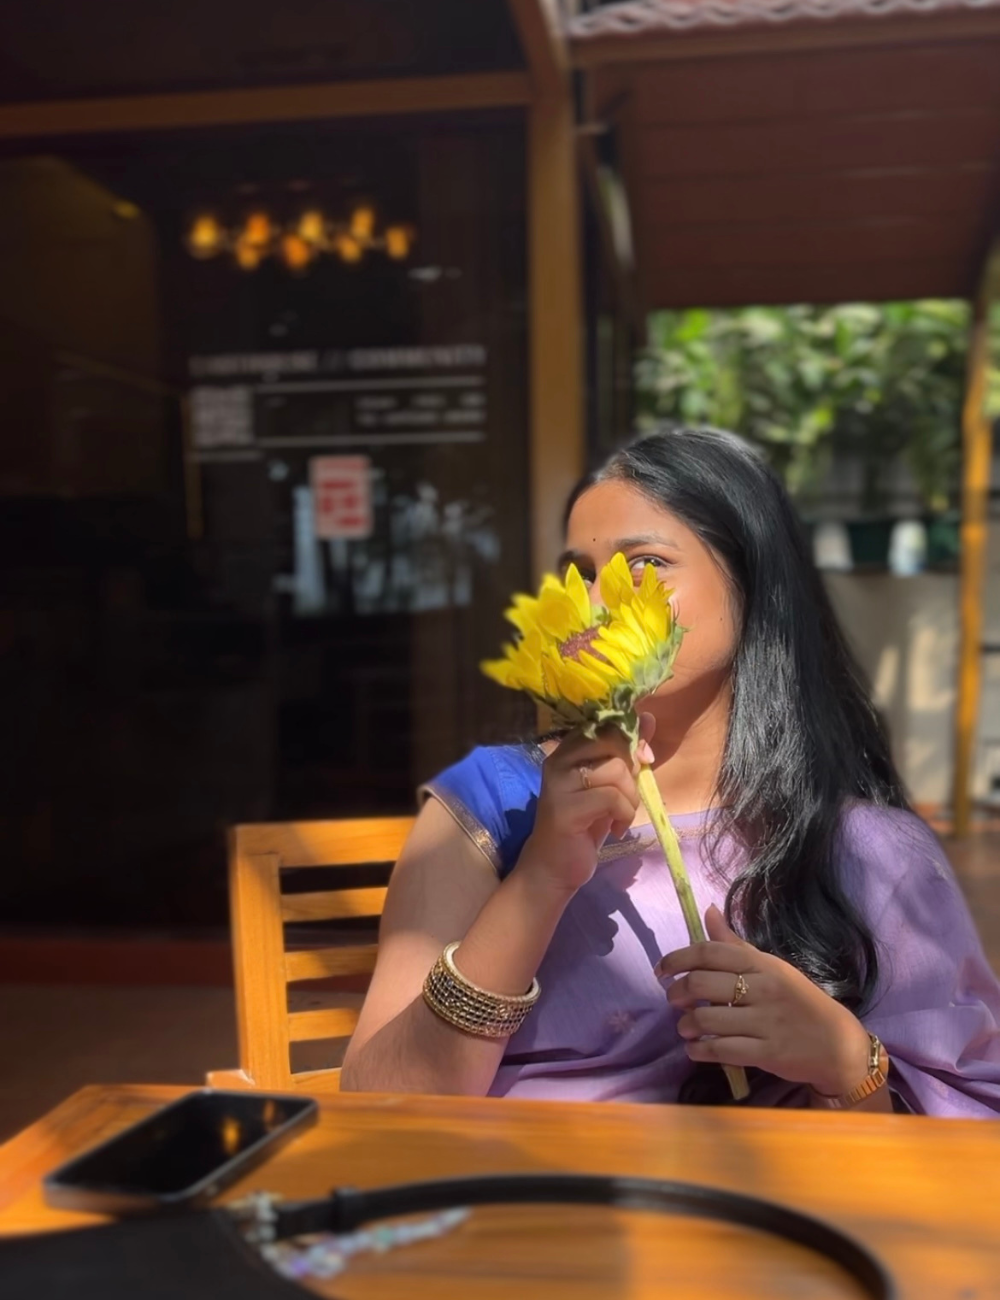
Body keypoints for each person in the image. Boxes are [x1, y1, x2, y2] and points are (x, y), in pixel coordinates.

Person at [340, 427, 1000, 1115]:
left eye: (647, 565)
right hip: (528, 1203)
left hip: (760, 1213)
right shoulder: (488, 808)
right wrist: (540, 877)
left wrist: (845, 1061)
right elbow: (381, 1101)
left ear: (755, 585)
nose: (599, 604)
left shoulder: (870, 851)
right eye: (583, 574)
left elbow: (957, 1141)